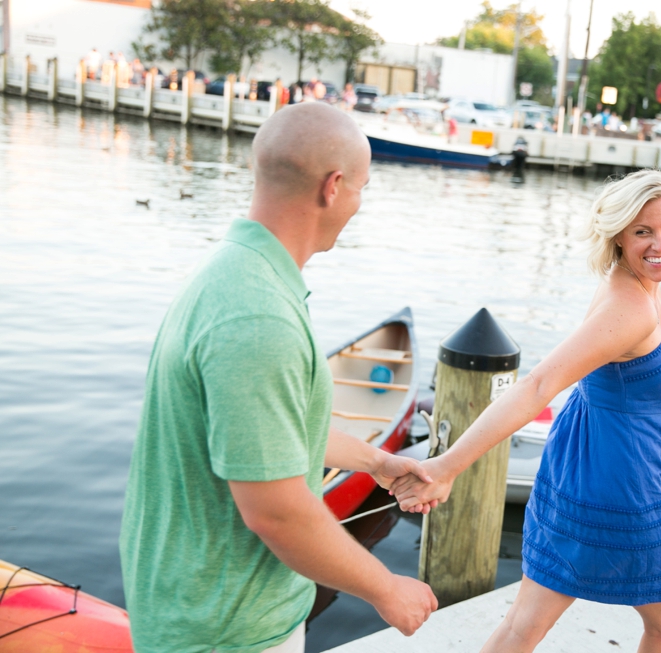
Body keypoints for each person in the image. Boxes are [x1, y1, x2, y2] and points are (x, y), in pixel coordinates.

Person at [119, 103, 438, 653]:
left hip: (195, 601)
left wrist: (378, 462)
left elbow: (271, 440)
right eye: (362, 188)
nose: (359, 204)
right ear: (333, 187)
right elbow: (277, 511)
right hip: (226, 629)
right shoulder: (259, 317)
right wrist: (387, 588)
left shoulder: (233, 271)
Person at [392, 169, 661, 652]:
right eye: (643, 231)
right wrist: (447, 465)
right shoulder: (632, 308)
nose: (660, 243)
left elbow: (636, 386)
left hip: (582, 467)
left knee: (526, 623)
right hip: (624, 482)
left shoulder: (636, 281)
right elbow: (538, 384)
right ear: (619, 235)